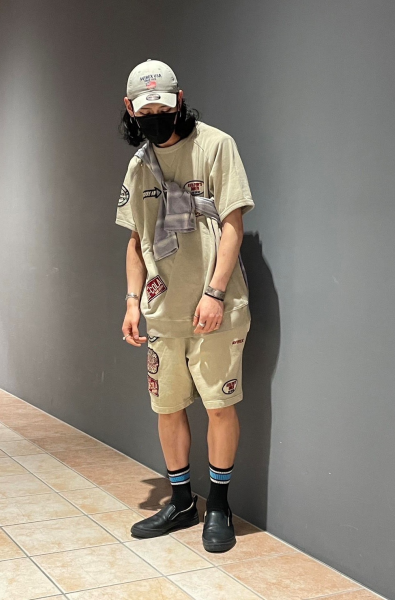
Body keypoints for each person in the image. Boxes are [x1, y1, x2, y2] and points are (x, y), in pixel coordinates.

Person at [115, 58, 254, 553]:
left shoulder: (216, 146)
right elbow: (136, 240)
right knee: (168, 407)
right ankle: (180, 502)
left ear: (179, 101)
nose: (155, 117)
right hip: (162, 312)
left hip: (216, 310)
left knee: (219, 406)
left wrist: (215, 293)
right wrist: (132, 302)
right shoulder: (139, 164)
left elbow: (233, 225)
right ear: (130, 108)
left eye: (163, 107)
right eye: (145, 110)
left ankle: (218, 505)